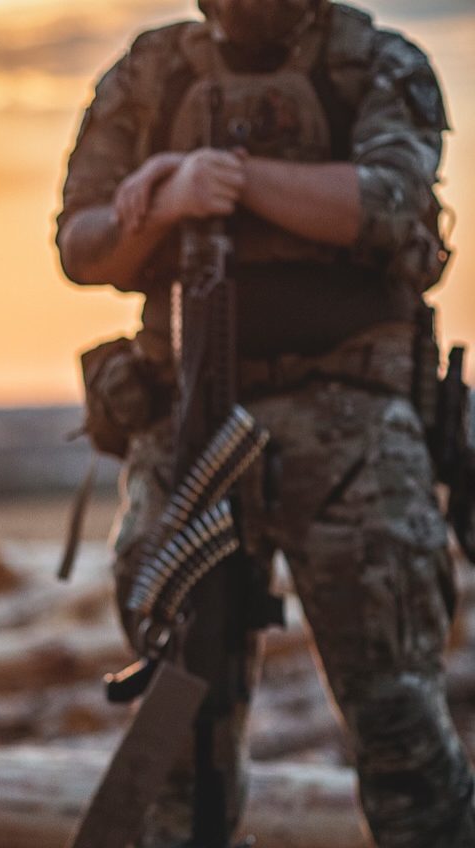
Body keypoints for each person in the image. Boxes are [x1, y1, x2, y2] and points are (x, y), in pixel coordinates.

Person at [56, 1, 472, 845]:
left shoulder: (372, 60)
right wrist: (172, 192)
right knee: (179, 738)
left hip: (349, 432)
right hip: (188, 427)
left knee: (400, 730)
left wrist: (231, 176)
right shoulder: (152, 71)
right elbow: (83, 243)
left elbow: (390, 204)